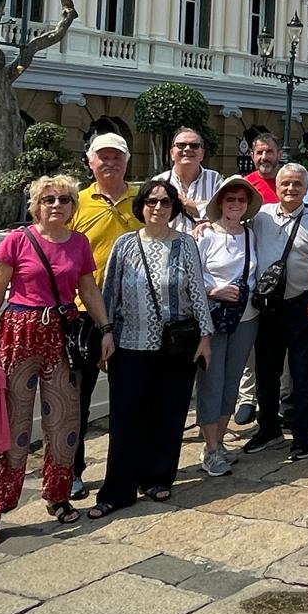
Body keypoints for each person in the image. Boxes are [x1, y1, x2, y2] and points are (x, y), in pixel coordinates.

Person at [0, 174, 113, 547]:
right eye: (49, 199)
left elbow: (88, 289)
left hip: (62, 335)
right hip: (20, 332)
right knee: (13, 424)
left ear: (72, 207)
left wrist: (106, 328)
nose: (56, 205)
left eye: (64, 199)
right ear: (35, 204)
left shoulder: (78, 243)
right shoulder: (17, 241)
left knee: (64, 419)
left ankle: (57, 494)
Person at [88, 180, 213, 518]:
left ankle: (159, 477)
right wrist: (106, 333)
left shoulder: (185, 244)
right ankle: (118, 489)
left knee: (169, 413)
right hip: (131, 342)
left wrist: (205, 336)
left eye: (166, 202)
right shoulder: (125, 244)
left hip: (176, 343)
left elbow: (197, 291)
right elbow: (109, 291)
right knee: (127, 417)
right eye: (152, 202)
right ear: (141, 206)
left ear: (174, 208)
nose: (158, 208)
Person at [68, 131, 141, 500]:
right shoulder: (75, 203)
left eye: (117, 157)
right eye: (103, 157)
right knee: (75, 399)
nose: (109, 162)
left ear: (127, 161)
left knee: (129, 399)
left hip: (132, 314)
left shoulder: (142, 201)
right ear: (90, 162)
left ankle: (128, 469)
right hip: (83, 315)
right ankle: (73, 470)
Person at [243, 164, 308, 460]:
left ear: (305, 188)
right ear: (277, 187)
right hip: (267, 307)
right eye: (286, 184)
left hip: (301, 304)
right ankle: (268, 429)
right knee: (267, 372)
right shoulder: (261, 216)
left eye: (297, 184)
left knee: (302, 373)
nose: (291, 189)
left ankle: (302, 435)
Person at [193, 176, 264, 475]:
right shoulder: (205, 236)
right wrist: (213, 290)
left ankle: (218, 441)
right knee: (211, 382)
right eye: (230, 198)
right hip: (212, 318)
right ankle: (209, 448)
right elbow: (193, 273)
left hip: (246, 317)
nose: (236, 204)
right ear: (220, 202)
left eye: (241, 200)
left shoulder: (250, 235)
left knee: (231, 381)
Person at [154, 126, 221, 231]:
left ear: (202, 154)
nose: (187, 149)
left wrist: (185, 202)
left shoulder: (214, 179)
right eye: (181, 145)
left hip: (205, 245)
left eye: (194, 146)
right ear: (172, 153)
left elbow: (223, 214)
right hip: (168, 244)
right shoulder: (159, 181)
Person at [243, 133, 281, 205]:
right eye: (259, 153)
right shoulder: (246, 184)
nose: (264, 157)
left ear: (279, 155)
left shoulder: (289, 184)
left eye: (269, 152)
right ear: (252, 156)